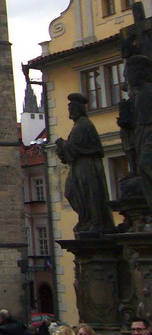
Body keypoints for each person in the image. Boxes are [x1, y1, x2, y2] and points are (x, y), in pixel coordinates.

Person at [54, 92, 115, 234]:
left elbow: (79, 147)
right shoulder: (77, 125)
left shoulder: (84, 124)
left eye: (71, 110)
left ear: (78, 110)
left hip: (87, 166)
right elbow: (74, 148)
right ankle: (86, 219)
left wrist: (63, 145)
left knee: (89, 193)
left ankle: (95, 221)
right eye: (69, 110)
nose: (70, 113)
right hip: (78, 165)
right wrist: (63, 149)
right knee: (72, 192)